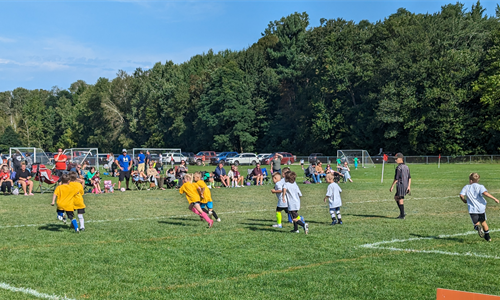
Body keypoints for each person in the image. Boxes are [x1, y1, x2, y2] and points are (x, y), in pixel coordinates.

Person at [459, 173, 499, 242]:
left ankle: (478, 227)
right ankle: (488, 237)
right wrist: (494, 198)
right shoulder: (480, 186)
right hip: (481, 208)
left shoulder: (466, 187)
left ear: (471, 180)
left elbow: (461, 195)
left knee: (476, 223)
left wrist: (464, 200)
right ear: (478, 180)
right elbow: (485, 193)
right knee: (483, 222)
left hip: (472, 209)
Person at [389, 153, 411, 219]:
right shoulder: (406, 167)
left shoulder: (399, 168)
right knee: (396, 197)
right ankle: (402, 213)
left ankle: (402, 215)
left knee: (400, 199)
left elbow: (396, 178)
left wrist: (392, 186)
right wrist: (409, 186)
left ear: (401, 159)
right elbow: (409, 178)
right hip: (405, 185)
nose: (395, 160)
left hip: (401, 185)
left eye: (396, 159)